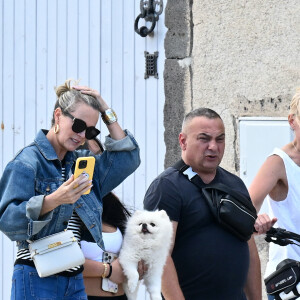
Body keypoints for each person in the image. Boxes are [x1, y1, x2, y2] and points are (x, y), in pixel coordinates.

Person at [0, 79, 140, 300]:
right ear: (58, 116)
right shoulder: (27, 162)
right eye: (78, 125)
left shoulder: (82, 165)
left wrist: (105, 110)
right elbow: (8, 221)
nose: (82, 135)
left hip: (74, 279)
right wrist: (53, 200)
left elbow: (127, 159)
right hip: (37, 275)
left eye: (90, 130)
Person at [144, 108, 261, 300]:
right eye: (204, 139)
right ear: (183, 141)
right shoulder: (166, 187)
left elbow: (249, 247)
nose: (213, 147)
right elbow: (158, 255)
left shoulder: (235, 184)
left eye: (219, 139)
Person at [248, 89, 300, 299]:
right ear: (292, 121)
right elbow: (244, 213)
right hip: (291, 282)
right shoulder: (279, 163)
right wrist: (256, 220)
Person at [81, 192, 131, 300]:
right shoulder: (62, 208)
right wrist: (108, 270)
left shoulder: (108, 200)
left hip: (120, 296)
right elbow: (58, 260)